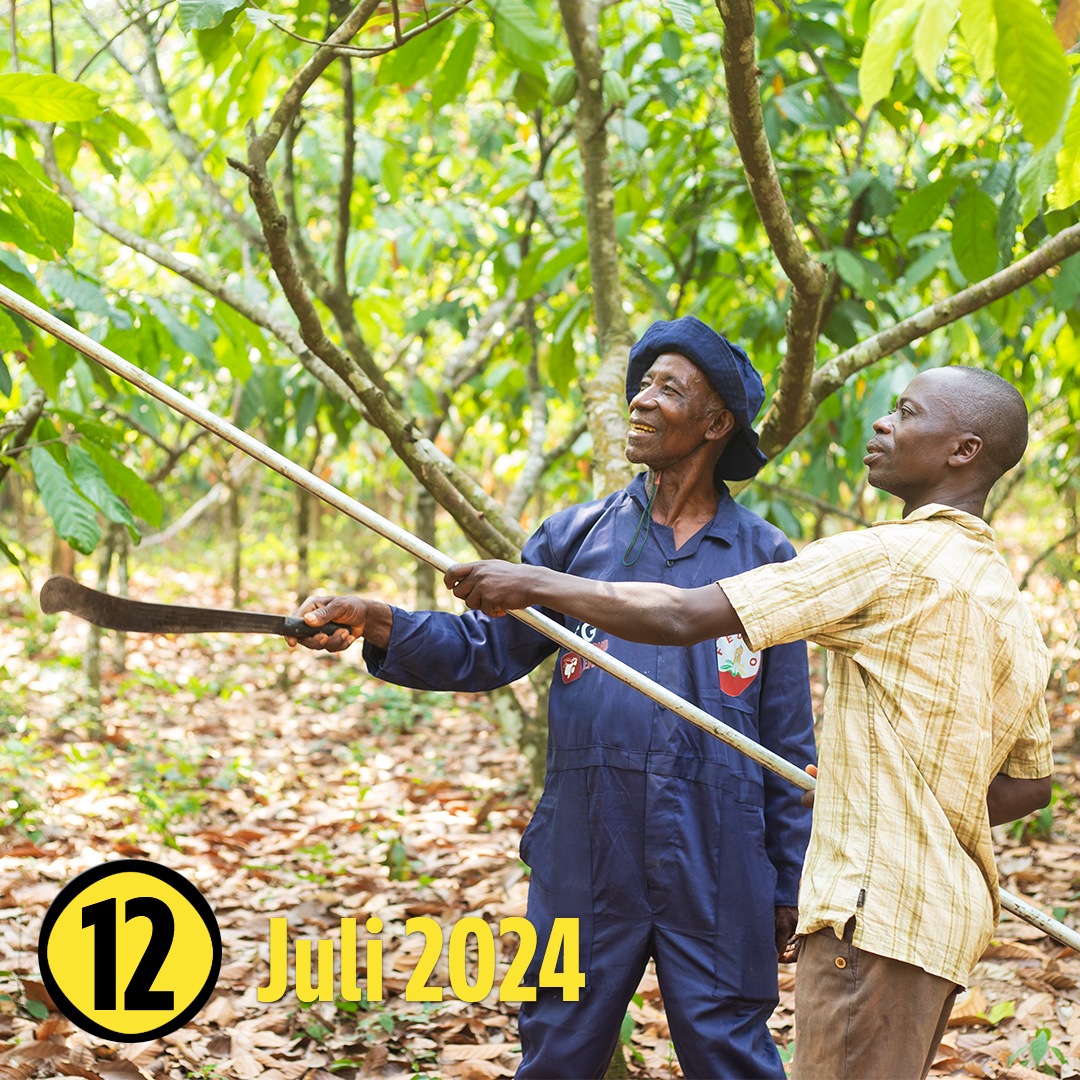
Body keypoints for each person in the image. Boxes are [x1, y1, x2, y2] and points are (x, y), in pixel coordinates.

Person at [445, 365, 1055, 1080]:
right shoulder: (1006, 602)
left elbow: (682, 615)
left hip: (870, 914)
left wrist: (535, 583)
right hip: (943, 923)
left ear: (963, 451)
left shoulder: (885, 559)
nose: (881, 423)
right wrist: (886, 799)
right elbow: (1026, 788)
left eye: (907, 412)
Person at [291, 317, 817, 1079]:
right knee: (559, 1045)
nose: (640, 401)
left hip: (719, 847)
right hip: (587, 840)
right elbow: (483, 649)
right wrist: (375, 618)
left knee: (729, 1051)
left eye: (668, 388)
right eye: (641, 383)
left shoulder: (766, 558)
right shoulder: (575, 537)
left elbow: (786, 738)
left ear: (715, 423)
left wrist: (787, 873)